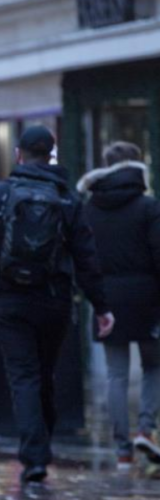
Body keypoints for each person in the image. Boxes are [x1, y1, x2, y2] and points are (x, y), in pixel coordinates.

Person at [0, 126, 114, 483]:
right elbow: (86, 256)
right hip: (54, 299)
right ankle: (41, 445)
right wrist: (101, 305)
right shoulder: (67, 199)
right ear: (51, 155)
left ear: (19, 154)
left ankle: (34, 457)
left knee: (24, 376)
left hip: (11, 300)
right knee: (45, 374)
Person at [77, 141, 160, 468]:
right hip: (148, 298)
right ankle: (146, 429)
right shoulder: (148, 207)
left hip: (106, 298)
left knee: (116, 374)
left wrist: (94, 298)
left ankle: (122, 448)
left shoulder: (90, 209)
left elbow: (83, 258)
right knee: (154, 365)